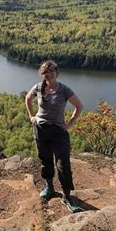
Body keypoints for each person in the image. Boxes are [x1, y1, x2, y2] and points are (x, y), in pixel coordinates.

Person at [25, 60, 83, 212]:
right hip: (41, 128)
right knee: (45, 159)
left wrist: (70, 124)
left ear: (57, 73)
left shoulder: (64, 90)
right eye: (45, 72)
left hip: (59, 131)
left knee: (63, 163)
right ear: (42, 74)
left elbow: (79, 106)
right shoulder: (38, 87)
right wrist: (32, 116)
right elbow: (27, 99)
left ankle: (67, 196)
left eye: (51, 71)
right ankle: (49, 187)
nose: (49, 74)